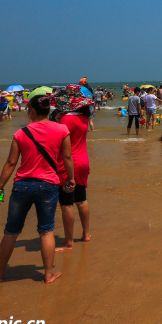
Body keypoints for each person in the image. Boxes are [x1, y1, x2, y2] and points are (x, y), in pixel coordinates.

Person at [0, 94, 75, 284]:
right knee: (46, 231)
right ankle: (48, 274)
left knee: (11, 231)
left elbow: (11, 163)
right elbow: (67, 158)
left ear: (32, 111)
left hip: (22, 186)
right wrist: (71, 178)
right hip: (49, 185)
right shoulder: (62, 129)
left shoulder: (21, 133)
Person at [57, 94, 93, 250]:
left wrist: (57, 120)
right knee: (81, 199)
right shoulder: (84, 118)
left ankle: (69, 242)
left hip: (68, 163)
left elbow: (58, 139)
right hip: (83, 161)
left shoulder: (65, 120)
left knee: (66, 204)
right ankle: (86, 234)